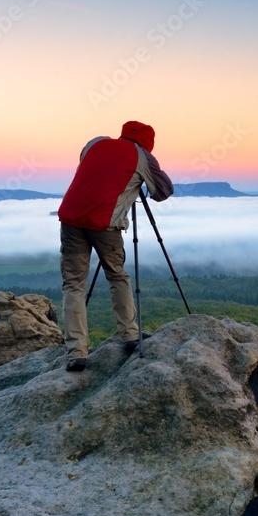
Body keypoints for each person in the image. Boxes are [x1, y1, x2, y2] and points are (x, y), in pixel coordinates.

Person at [57, 120, 174, 371]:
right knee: (117, 276)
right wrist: (139, 181)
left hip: (70, 218)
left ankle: (76, 352)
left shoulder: (95, 143)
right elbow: (163, 191)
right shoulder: (142, 156)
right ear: (148, 143)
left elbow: (93, 171)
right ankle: (130, 336)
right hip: (104, 224)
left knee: (73, 284)